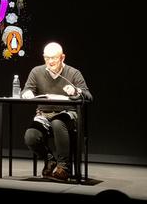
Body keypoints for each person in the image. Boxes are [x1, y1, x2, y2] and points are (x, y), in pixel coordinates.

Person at [22, 42, 93, 181]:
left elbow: (89, 96)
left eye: (54, 58)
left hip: (68, 115)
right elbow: (26, 89)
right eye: (47, 58)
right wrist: (27, 93)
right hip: (44, 115)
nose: (50, 62)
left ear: (62, 58)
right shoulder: (36, 72)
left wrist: (76, 91)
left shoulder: (73, 73)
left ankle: (63, 168)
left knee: (57, 122)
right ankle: (49, 160)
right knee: (31, 136)